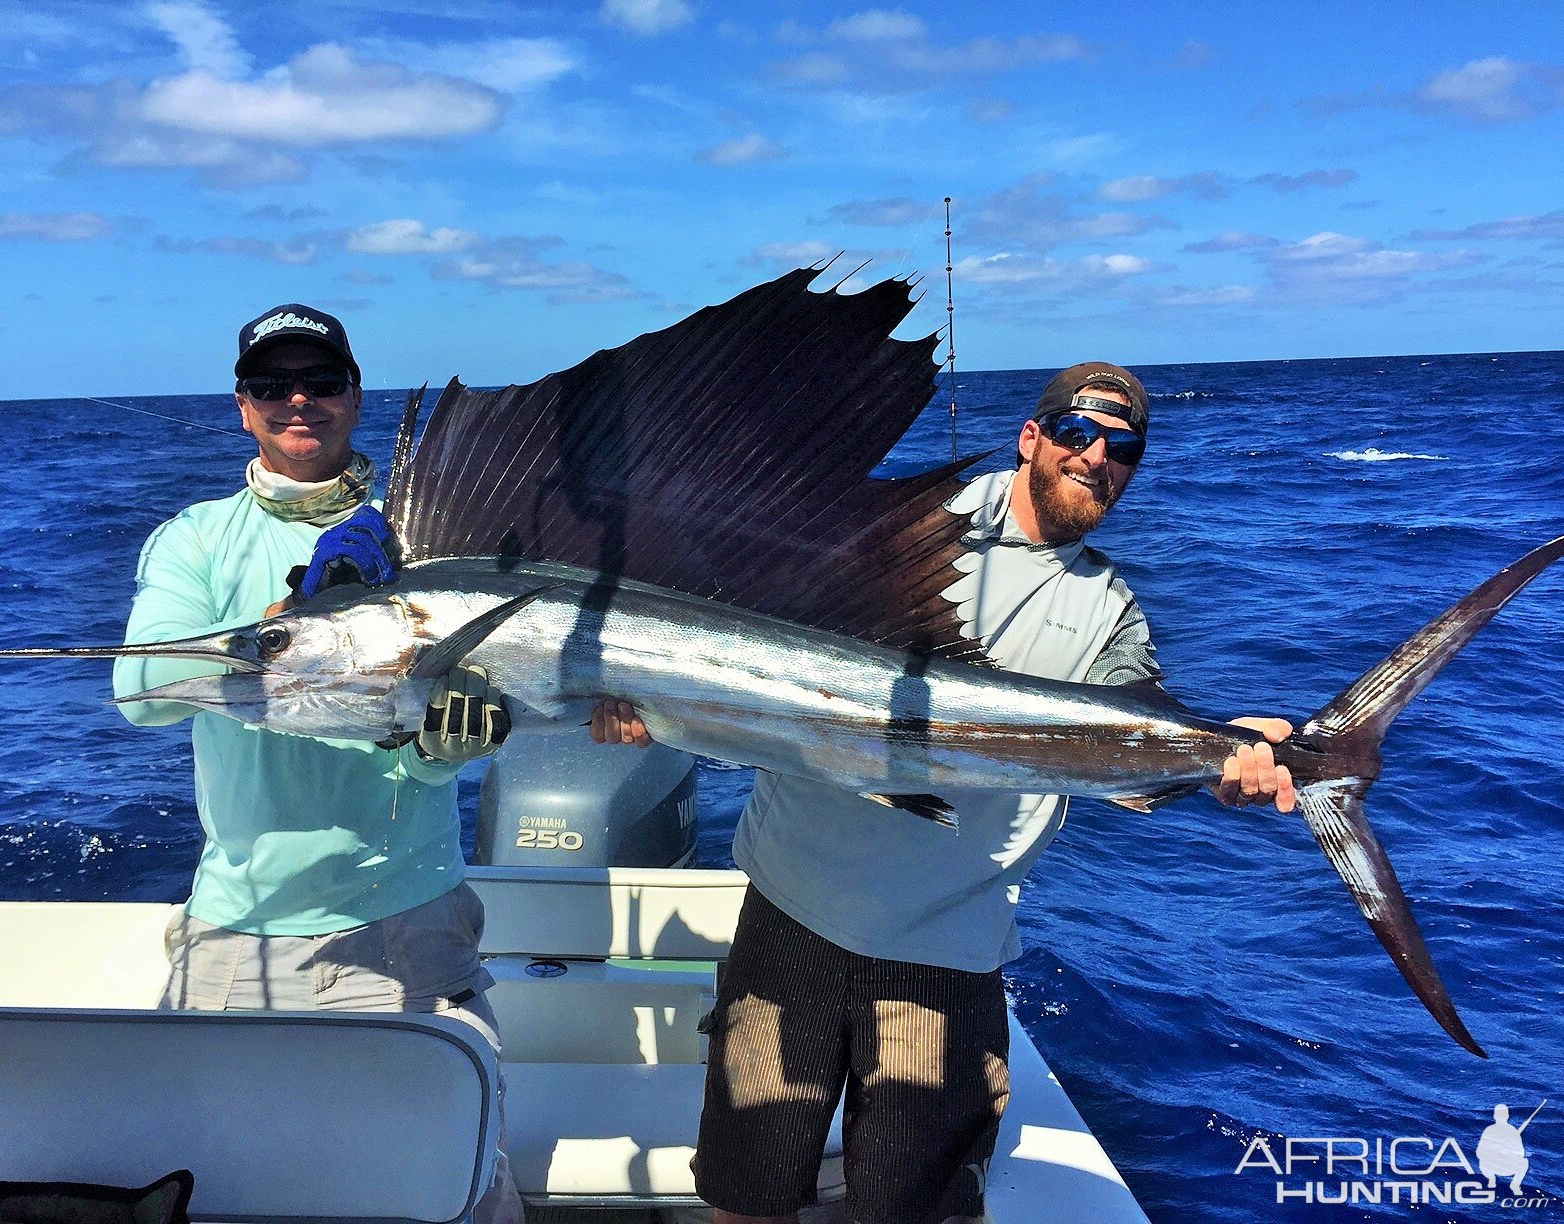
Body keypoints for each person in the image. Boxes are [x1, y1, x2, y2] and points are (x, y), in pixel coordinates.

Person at [593, 361, 1296, 1222]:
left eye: (1123, 447)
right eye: (1078, 433)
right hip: (790, 913)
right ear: (1031, 437)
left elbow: (1130, 757)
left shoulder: (1112, 613)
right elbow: (740, 649)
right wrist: (648, 708)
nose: (1097, 457)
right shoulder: (899, 524)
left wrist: (1218, 767)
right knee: (749, 1197)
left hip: (948, 950)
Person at [113, 303, 522, 1222]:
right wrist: (295, 611)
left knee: (449, 1191)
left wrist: (438, 755)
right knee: (210, 1192)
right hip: (237, 929)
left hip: (404, 923)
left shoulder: (427, 542)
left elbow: (423, 750)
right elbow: (140, 691)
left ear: (354, 396)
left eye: (322, 382)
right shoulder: (196, 539)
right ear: (242, 406)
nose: (298, 401)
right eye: (272, 385)